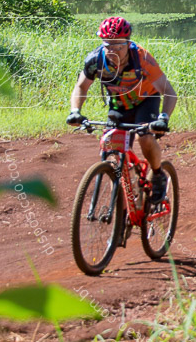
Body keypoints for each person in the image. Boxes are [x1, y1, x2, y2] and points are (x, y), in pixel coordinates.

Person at [67, 16, 177, 203]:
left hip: (146, 101)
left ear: (128, 42)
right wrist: (75, 111)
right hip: (119, 104)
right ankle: (120, 205)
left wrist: (164, 117)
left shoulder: (142, 58)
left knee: (146, 137)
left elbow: (169, 92)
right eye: (108, 45)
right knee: (112, 147)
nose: (113, 51)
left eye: (118, 45)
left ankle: (158, 174)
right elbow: (81, 87)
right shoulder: (95, 60)